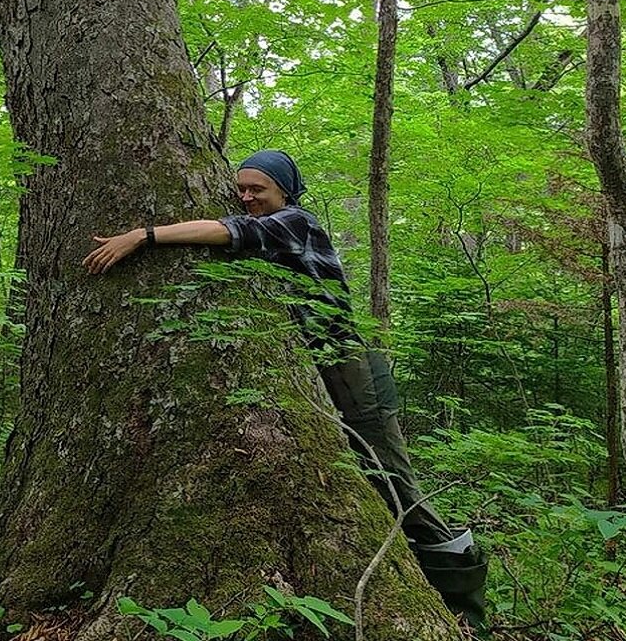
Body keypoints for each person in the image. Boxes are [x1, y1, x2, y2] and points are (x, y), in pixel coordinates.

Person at [83, 149, 488, 626]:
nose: (248, 197)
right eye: (243, 188)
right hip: (327, 365)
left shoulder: (296, 221)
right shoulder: (276, 224)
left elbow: (229, 231)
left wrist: (142, 236)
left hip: (351, 364)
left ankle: (463, 600)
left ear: (285, 191)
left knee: (390, 474)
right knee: (364, 470)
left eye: (259, 189)